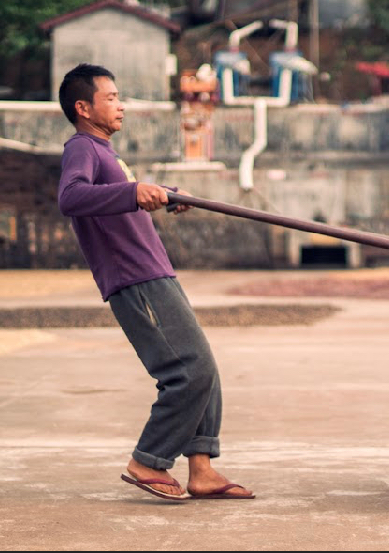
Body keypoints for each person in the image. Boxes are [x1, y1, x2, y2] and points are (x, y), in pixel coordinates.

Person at [57, 63, 254, 502]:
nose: (120, 105)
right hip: (135, 278)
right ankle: (148, 460)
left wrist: (161, 194)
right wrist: (134, 191)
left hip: (155, 271)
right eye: (111, 98)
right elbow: (70, 197)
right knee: (188, 371)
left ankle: (201, 469)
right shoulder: (82, 147)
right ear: (83, 107)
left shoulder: (106, 152)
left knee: (205, 369)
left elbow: (121, 200)